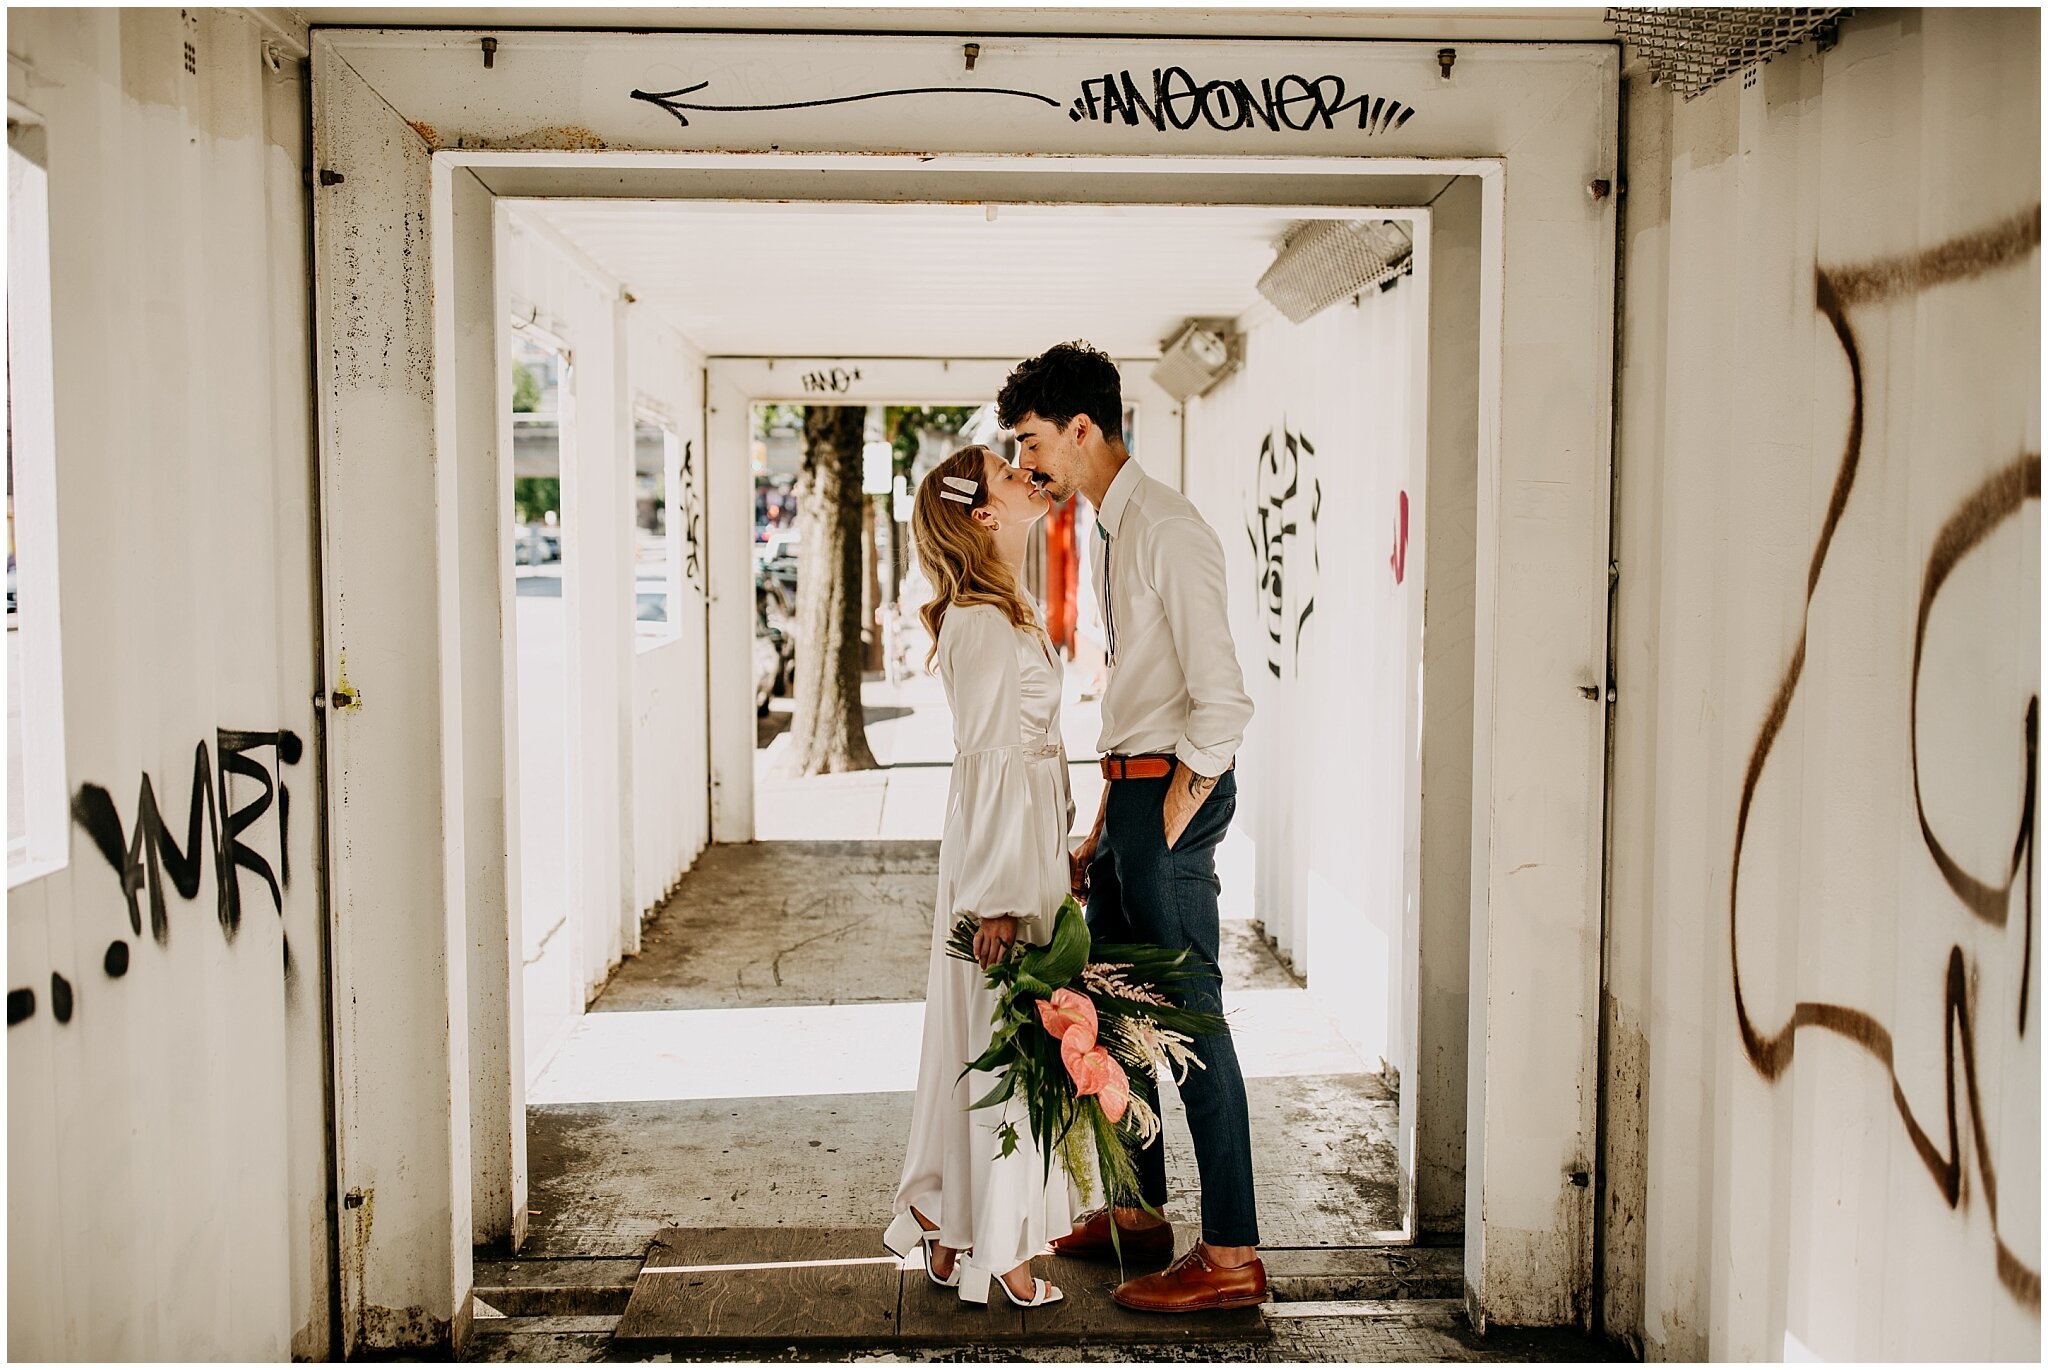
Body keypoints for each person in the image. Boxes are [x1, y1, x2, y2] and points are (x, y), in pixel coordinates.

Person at [1000, 342, 1266, 1314]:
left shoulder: (1166, 527)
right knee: (1118, 1020)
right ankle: (1142, 1215)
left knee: (1191, 1025)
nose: (1027, 463)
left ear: (1081, 429)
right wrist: (1107, 828)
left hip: (1168, 807)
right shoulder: (1116, 528)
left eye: (1033, 441)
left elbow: (1220, 705)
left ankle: (1230, 1253)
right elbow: (1141, 702)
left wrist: (1163, 825)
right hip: (1132, 801)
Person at [882, 444, 1077, 1310]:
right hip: (1003, 859)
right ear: (982, 515)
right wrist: (999, 897)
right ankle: (997, 1243)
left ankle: (958, 1226)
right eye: (1008, 472)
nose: (1028, 475)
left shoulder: (998, 608)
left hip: (1019, 846)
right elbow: (997, 758)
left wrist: (1056, 841)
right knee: (1003, 1036)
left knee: (991, 1035)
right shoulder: (988, 621)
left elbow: (1020, 755)